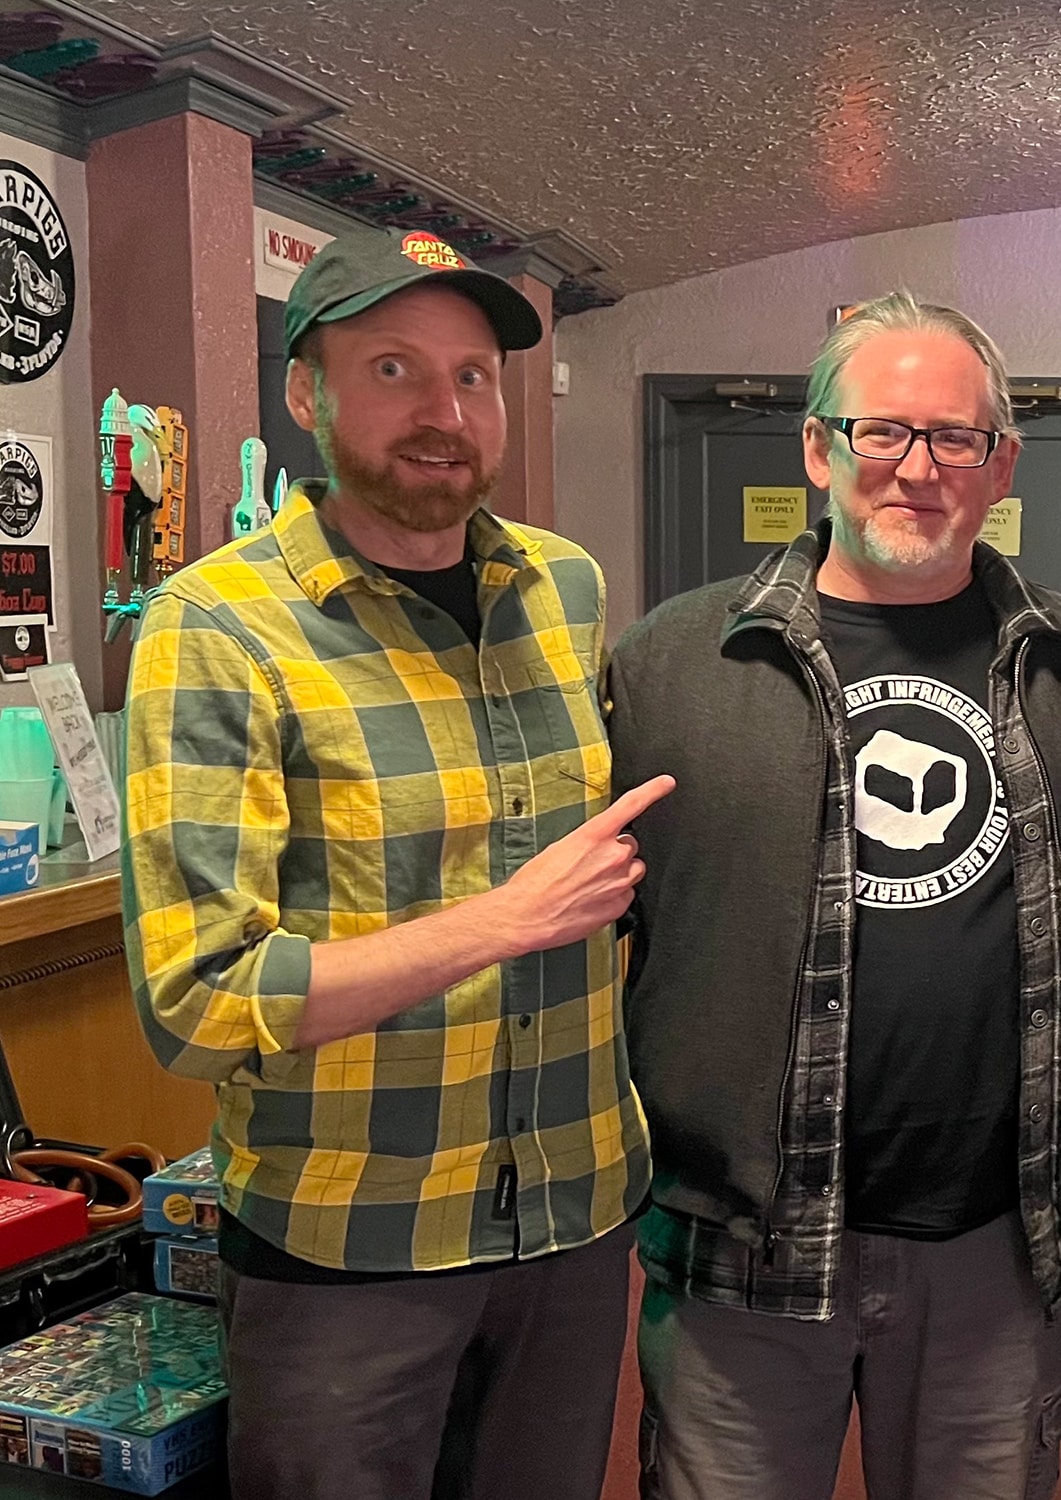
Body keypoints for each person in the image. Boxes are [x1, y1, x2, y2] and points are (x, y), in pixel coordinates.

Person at [123, 229, 668, 1500]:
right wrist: (502, 922)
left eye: (472, 377)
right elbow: (198, 1002)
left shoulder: (563, 588)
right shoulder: (214, 627)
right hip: (350, 1253)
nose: (442, 412)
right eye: (391, 369)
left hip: (575, 1224)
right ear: (305, 393)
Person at [608, 291, 1061, 1500]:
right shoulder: (673, 666)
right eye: (879, 432)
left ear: (1001, 466)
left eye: (954, 438)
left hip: (994, 1251)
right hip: (742, 1251)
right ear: (817, 448)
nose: (915, 468)